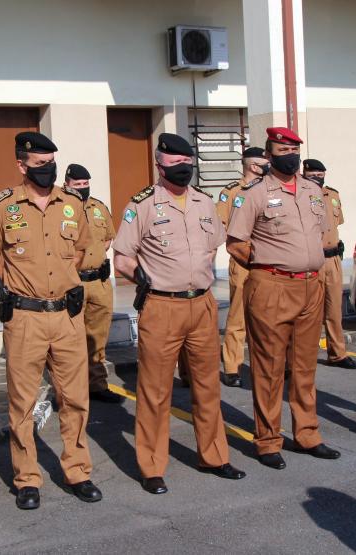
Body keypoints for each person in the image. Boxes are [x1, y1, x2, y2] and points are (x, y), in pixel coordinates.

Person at [114, 133, 246, 495]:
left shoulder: (204, 202)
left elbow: (215, 246)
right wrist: (136, 275)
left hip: (202, 305)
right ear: (160, 166)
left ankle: (215, 456)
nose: (183, 169)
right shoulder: (141, 205)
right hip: (161, 305)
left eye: (187, 163)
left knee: (207, 386)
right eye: (175, 165)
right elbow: (122, 257)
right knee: (155, 391)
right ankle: (152, 467)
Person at [0, 132, 102, 509]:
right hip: (25, 317)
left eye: (51, 163)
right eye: (40, 164)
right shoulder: (3, 206)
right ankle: (27, 477)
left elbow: (82, 249)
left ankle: (78, 471)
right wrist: (5, 289)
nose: (48, 170)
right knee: (22, 401)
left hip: (66, 316)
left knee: (75, 398)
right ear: (21, 165)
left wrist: (67, 281)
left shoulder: (72, 205)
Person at [226, 127, 341, 470]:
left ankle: (307, 434)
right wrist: (267, 266)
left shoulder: (312, 191)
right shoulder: (255, 194)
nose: (289, 155)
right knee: (269, 368)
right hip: (273, 286)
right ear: (270, 154)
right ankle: (268, 440)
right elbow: (236, 243)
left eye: (294, 149)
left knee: (304, 367)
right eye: (282, 150)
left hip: (311, 286)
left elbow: (319, 233)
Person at [65, 163, 122, 404]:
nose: (82, 188)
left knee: (98, 337)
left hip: (99, 281)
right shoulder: (60, 207)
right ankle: (71, 390)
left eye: (85, 184)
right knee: (70, 339)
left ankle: (96, 384)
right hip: (73, 282)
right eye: (77, 185)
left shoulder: (98, 207)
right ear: (67, 184)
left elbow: (108, 239)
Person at [214, 146, 271, 387]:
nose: (268, 165)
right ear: (253, 166)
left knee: (267, 317)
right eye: (264, 162)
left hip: (268, 262)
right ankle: (232, 367)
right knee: (238, 317)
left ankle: (268, 365)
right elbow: (221, 226)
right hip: (242, 261)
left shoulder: (270, 189)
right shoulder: (231, 193)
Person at [302, 159, 356, 370]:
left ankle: (337, 354)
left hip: (333, 259)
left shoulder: (332, 195)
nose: (317, 177)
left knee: (334, 311)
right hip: (311, 261)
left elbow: (335, 226)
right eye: (313, 174)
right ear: (304, 173)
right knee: (308, 313)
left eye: (320, 173)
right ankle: (303, 358)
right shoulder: (299, 195)